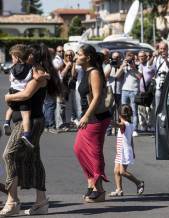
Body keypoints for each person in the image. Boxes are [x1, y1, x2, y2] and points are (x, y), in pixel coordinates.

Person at [1, 43, 61, 216]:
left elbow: (26, 94)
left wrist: (9, 96)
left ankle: (12, 202)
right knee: (34, 160)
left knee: (9, 154)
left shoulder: (38, 74)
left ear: (31, 57)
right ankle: (41, 202)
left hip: (30, 121)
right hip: (30, 120)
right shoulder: (31, 72)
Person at [74, 44, 111, 203]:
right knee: (79, 149)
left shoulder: (94, 72)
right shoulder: (85, 71)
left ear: (87, 57)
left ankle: (99, 189)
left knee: (93, 152)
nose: (76, 56)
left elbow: (96, 98)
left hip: (96, 118)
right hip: (89, 116)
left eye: (78, 54)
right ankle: (91, 182)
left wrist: (87, 116)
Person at [109, 104, 144, 197]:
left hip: (124, 152)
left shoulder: (123, 125)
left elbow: (117, 125)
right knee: (116, 171)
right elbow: (131, 140)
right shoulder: (130, 125)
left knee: (122, 172)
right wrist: (133, 150)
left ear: (120, 115)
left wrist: (107, 120)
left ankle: (139, 183)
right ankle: (119, 190)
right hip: (121, 151)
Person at [3, 44, 35, 148]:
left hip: (12, 92)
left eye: (12, 57)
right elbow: (35, 77)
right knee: (26, 116)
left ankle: (7, 122)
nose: (12, 59)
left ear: (17, 57)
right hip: (22, 94)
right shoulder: (30, 68)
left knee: (11, 108)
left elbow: (11, 79)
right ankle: (26, 134)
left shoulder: (12, 69)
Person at [116, 52, 142, 137]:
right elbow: (117, 75)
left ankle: (134, 129)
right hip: (124, 90)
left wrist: (134, 68)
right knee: (123, 110)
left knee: (134, 110)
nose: (129, 59)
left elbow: (140, 77)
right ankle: (123, 127)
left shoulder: (138, 65)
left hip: (134, 90)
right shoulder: (125, 65)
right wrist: (122, 66)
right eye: (128, 57)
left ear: (134, 57)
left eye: (131, 57)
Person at [151, 41, 169, 111]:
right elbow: (149, 66)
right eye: (161, 48)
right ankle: (158, 122)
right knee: (158, 106)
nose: (162, 50)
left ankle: (168, 121)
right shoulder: (157, 57)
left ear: (167, 49)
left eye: (164, 48)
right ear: (158, 49)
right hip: (159, 85)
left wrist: (166, 59)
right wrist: (153, 56)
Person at [138, 51, 155, 132]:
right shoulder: (138, 65)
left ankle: (150, 125)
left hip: (149, 91)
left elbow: (150, 66)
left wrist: (152, 57)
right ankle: (143, 125)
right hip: (140, 91)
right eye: (140, 56)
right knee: (141, 110)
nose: (141, 58)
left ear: (146, 57)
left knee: (149, 109)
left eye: (143, 56)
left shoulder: (150, 64)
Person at [106, 52, 123, 136]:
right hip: (110, 91)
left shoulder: (123, 66)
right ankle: (108, 129)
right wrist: (111, 67)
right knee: (110, 111)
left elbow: (117, 76)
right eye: (114, 58)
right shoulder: (109, 66)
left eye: (118, 57)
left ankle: (120, 129)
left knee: (121, 112)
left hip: (120, 91)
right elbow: (105, 76)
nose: (116, 59)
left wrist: (122, 66)